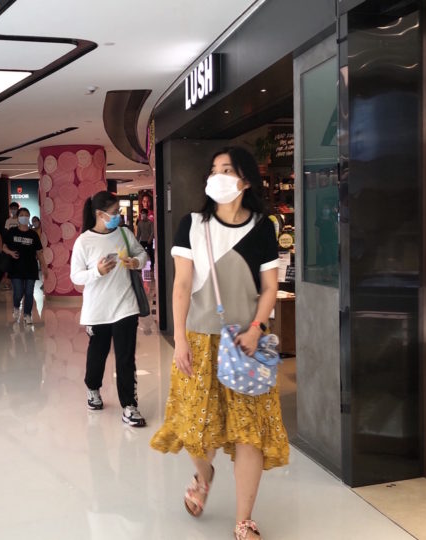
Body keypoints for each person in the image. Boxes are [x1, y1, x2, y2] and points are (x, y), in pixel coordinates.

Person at [149, 147, 287, 540]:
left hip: (247, 345)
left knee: (250, 433)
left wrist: (258, 327)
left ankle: (243, 520)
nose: (217, 175)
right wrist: (178, 339)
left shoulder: (264, 227)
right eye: (213, 169)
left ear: (245, 180)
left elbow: (270, 286)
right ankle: (204, 473)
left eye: (227, 169)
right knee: (194, 427)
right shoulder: (191, 225)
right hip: (198, 340)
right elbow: (179, 286)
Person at [70, 191, 149, 428]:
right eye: (114, 213)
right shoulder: (84, 241)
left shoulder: (124, 233)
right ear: (99, 214)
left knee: (126, 358)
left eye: (119, 213)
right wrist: (97, 272)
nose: (118, 217)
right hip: (97, 310)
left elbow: (142, 254)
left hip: (125, 306)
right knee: (98, 355)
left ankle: (129, 406)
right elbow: (76, 276)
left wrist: (136, 262)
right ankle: (93, 389)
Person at [1, 207, 45, 325]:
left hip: (30, 268)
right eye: (22, 215)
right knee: (18, 292)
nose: (24, 217)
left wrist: (44, 268)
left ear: (29, 217)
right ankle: (16, 307)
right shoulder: (12, 232)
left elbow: (39, 252)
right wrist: (10, 252)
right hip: (16, 268)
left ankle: (27, 315)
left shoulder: (33, 234)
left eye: (26, 215)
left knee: (29, 292)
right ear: (18, 218)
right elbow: (4, 247)